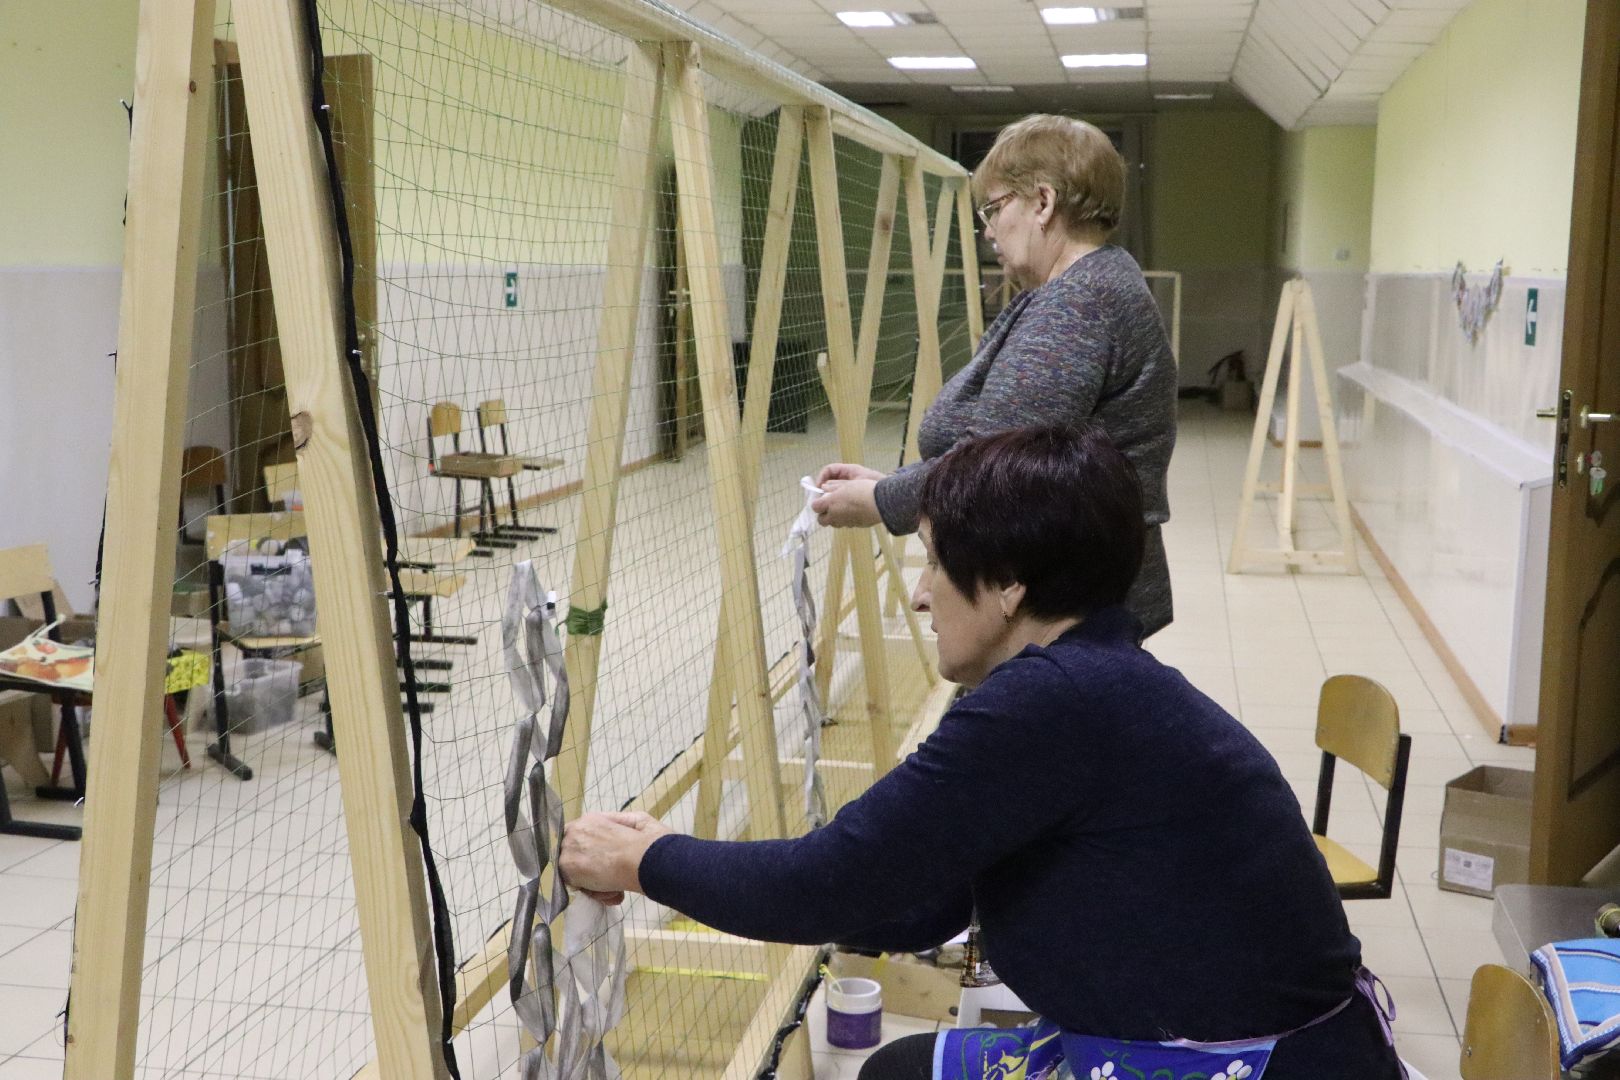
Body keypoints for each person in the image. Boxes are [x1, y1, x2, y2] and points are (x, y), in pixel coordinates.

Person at [560, 425, 1404, 1080]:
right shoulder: (1094, 680)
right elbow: (921, 900)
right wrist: (731, 878)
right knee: (897, 1070)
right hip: (1242, 1041)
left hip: (1251, 1065)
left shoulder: (1049, 705)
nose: (921, 594)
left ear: (1008, 588)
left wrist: (647, 861)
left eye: (935, 563)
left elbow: (823, 884)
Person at [810, 115, 1177, 639]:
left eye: (995, 208)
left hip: (1066, 601)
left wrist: (880, 502)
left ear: (1043, 203)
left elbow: (995, 462)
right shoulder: (1084, 286)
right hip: (1070, 582)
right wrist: (895, 485)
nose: (988, 230)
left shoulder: (1079, 302)